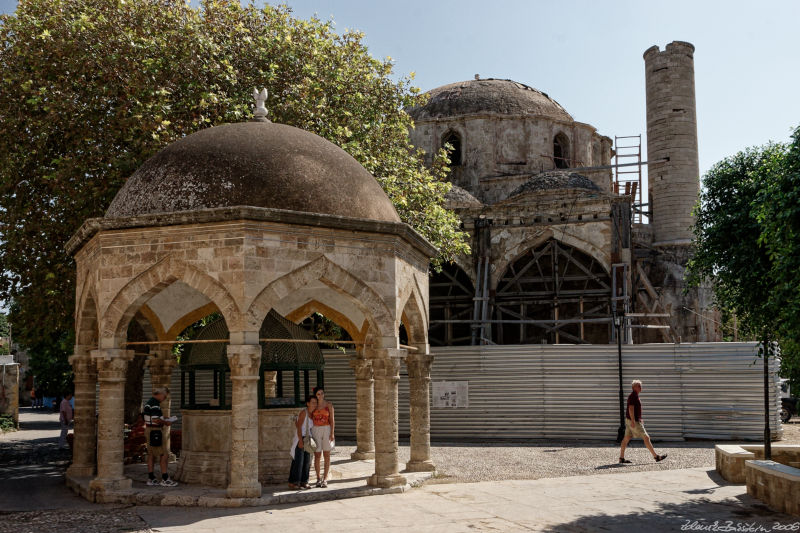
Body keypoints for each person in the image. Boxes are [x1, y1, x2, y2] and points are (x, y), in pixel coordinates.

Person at [619, 379, 667, 464]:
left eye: (641, 386)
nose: (641, 387)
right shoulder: (633, 396)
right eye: (639, 386)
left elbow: (634, 409)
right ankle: (656, 457)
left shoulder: (634, 395)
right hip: (633, 421)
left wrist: (639, 418)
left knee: (626, 438)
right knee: (646, 437)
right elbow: (631, 408)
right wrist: (633, 421)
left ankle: (621, 458)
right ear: (634, 387)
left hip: (631, 420)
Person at [143, 387, 178, 487]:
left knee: (151, 454)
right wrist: (166, 422)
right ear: (160, 394)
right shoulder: (154, 404)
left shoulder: (150, 402)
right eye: (165, 396)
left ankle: (151, 478)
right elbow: (155, 420)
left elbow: (153, 417)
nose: (164, 398)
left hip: (149, 430)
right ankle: (165, 478)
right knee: (164, 454)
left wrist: (164, 418)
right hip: (155, 431)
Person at [288, 394, 317, 490]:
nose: (314, 404)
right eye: (312, 403)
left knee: (307, 461)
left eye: (315, 403)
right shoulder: (304, 413)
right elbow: (299, 427)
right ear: (308, 403)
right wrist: (300, 440)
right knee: (298, 462)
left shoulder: (312, 414)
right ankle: (294, 482)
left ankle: (304, 482)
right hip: (301, 438)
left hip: (308, 439)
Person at [311, 386, 335, 487]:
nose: (321, 395)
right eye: (318, 394)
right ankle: (318, 478)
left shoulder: (328, 405)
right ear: (315, 395)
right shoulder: (313, 405)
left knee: (327, 454)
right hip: (316, 429)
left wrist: (332, 433)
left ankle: (325, 479)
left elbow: (332, 419)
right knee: (317, 454)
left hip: (327, 428)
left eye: (322, 393)